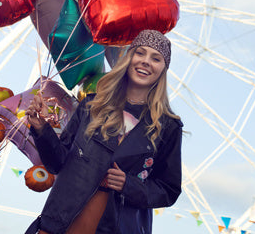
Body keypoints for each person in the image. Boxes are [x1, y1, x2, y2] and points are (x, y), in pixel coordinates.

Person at [24, 29, 183, 234]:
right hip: (61, 221)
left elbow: (168, 190)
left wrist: (129, 185)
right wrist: (41, 128)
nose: (146, 61)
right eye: (140, 53)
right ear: (128, 58)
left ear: (163, 69)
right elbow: (57, 163)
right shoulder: (91, 105)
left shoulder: (168, 127)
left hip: (118, 225)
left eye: (156, 58)